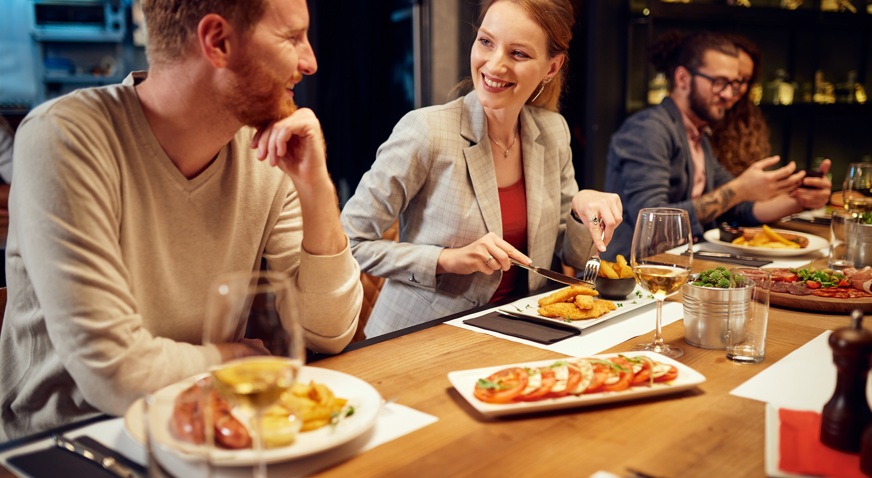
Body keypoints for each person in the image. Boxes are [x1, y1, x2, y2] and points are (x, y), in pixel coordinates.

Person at [0, 0, 362, 440]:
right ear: (218, 42)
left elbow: (327, 333)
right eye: (292, 38)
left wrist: (317, 189)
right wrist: (235, 359)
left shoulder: (269, 152)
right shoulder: (63, 139)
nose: (310, 61)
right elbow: (116, 374)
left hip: (212, 426)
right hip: (69, 442)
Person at [341, 0, 622, 338]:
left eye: (518, 54)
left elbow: (573, 254)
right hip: (420, 338)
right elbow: (349, 242)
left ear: (552, 67)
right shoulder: (426, 131)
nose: (494, 64)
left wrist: (581, 210)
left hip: (522, 335)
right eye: (486, 42)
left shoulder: (553, 132)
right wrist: (447, 259)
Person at [604, 31, 831, 260]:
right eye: (719, 82)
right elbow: (655, 222)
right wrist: (739, 189)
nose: (729, 95)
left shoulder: (698, 135)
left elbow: (738, 208)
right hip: (632, 275)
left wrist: (799, 201)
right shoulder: (649, 129)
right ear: (683, 78)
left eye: (734, 84)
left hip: (679, 263)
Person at [710, 33, 772, 177]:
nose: (734, 89)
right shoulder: (693, 122)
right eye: (732, 78)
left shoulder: (747, 119)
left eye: (744, 80)